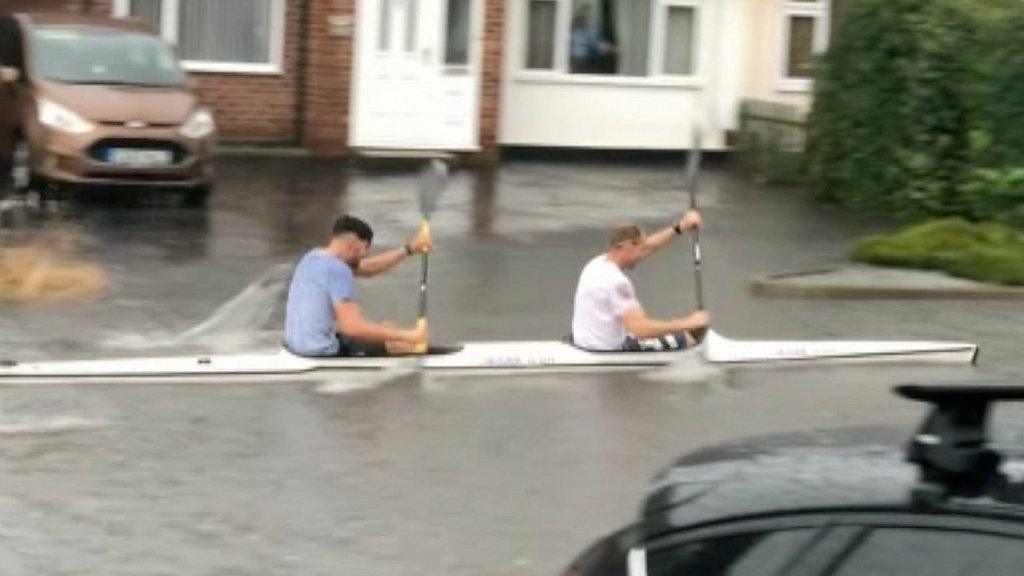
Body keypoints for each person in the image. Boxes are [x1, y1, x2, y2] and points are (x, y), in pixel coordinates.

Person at [284, 214, 432, 357]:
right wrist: (409, 335)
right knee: (393, 342)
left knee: (386, 331)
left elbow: (369, 268)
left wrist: (410, 249)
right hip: (320, 353)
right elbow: (352, 327)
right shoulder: (338, 270)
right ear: (354, 243)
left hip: (296, 348)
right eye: (365, 247)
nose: (365, 254)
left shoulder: (312, 258)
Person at [571, 211, 709, 351]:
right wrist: (687, 323)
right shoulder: (617, 282)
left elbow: (649, 245)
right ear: (626, 246)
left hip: (586, 342)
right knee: (686, 338)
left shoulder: (596, 264)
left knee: (670, 330)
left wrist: (680, 226)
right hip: (607, 349)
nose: (642, 253)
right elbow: (640, 330)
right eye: (640, 248)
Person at [570, 5, 616, 74]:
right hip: (579, 61)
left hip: (583, 61)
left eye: (584, 16)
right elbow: (597, 45)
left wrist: (611, 48)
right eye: (580, 14)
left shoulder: (587, 30)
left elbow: (596, 44)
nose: (582, 17)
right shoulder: (571, 30)